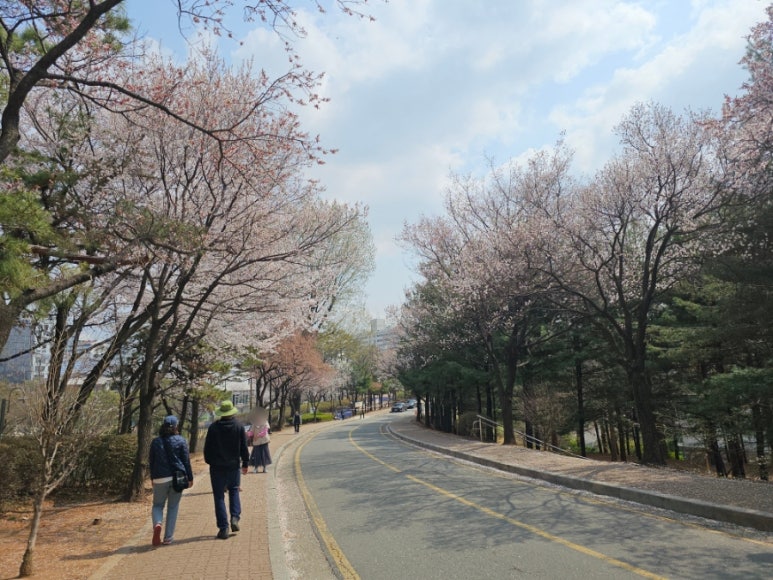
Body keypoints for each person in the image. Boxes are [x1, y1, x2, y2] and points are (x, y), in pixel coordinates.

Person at [204, 400, 249, 540]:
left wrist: (210, 461)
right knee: (234, 490)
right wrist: (245, 462)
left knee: (219, 496)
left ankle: (223, 528)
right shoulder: (239, 427)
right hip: (233, 466)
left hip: (217, 467)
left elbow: (207, 449)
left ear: (221, 413)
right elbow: (244, 447)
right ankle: (235, 517)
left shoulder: (213, 428)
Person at [148, 415, 193, 546]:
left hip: (159, 478)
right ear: (176, 426)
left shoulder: (155, 442)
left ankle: (157, 523)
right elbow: (186, 461)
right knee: (173, 507)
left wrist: (152, 477)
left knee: (157, 505)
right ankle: (168, 538)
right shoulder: (181, 440)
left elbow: (152, 461)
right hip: (177, 478)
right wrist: (190, 478)